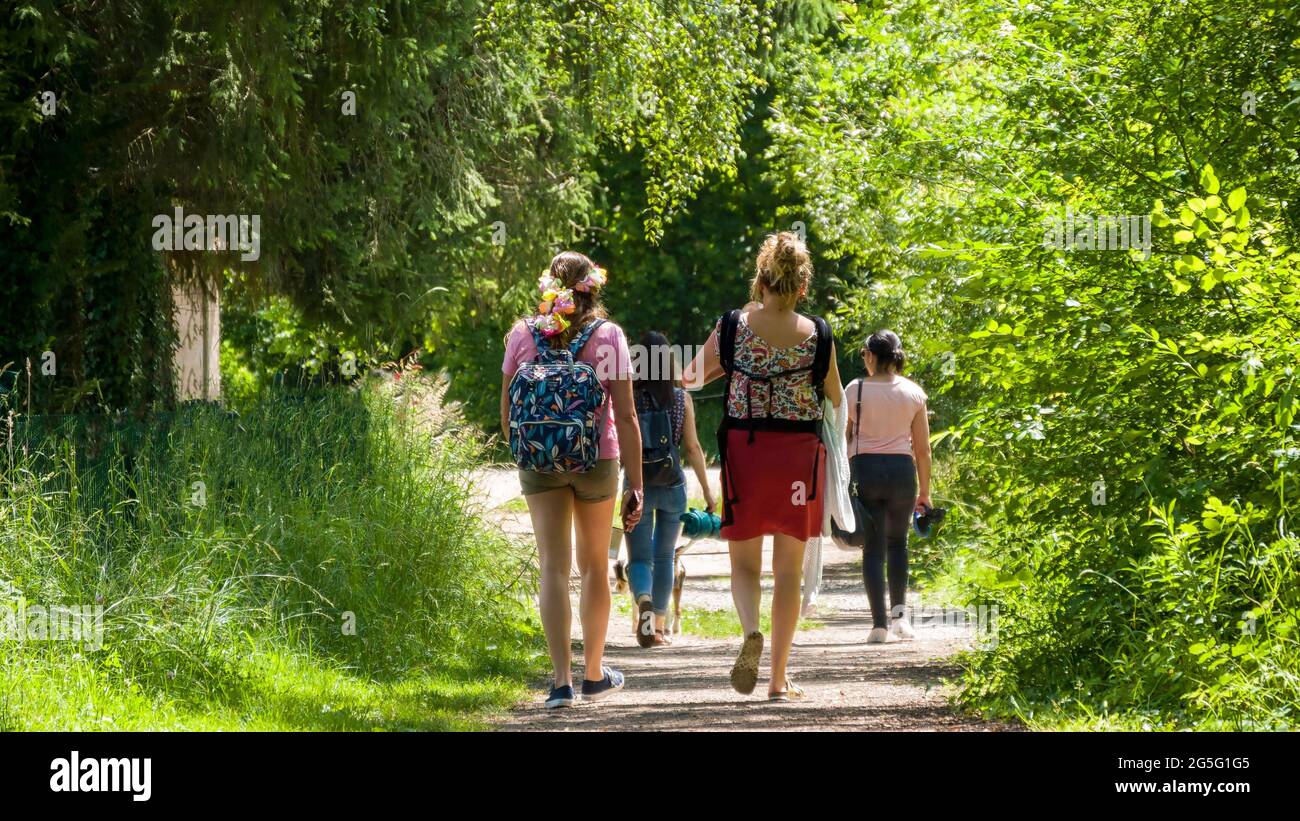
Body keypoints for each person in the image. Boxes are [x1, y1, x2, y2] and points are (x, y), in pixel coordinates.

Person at [684, 231, 842, 701]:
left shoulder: (733, 324)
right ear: (802, 284)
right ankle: (777, 678)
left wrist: (730, 369)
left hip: (746, 450)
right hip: (798, 455)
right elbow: (835, 397)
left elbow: (691, 376)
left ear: (760, 280)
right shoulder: (819, 334)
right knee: (788, 571)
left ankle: (751, 629)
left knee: (745, 563)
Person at [500, 251, 643, 708]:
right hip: (597, 460)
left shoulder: (520, 334)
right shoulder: (610, 336)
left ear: (547, 287)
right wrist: (635, 483)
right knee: (594, 566)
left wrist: (534, 449)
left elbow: (506, 415)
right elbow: (627, 415)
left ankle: (560, 683)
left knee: (553, 568)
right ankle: (595, 674)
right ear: (593, 287)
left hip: (539, 463)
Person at [624, 331, 716, 648]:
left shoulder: (629, 397)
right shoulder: (681, 399)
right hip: (672, 483)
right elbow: (692, 447)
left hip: (637, 485)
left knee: (638, 559)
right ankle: (658, 629)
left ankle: (644, 599)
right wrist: (708, 492)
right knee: (664, 558)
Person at [844, 330, 932, 643]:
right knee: (898, 544)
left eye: (865, 353)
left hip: (865, 471)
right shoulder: (913, 392)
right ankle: (900, 619)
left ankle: (878, 626)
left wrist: (841, 481)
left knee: (873, 548)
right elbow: (923, 449)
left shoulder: (855, 389)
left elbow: (844, 438)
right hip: (900, 473)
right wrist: (925, 492)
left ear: (871, 355)